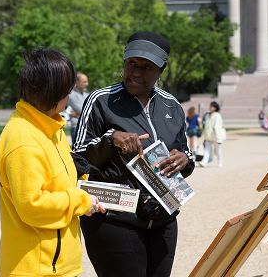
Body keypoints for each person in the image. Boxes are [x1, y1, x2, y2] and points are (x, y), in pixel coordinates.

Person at [74, 31, 195, 277]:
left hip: (163, 222)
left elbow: (188, 154)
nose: (136, 72)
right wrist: (110, 141)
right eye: (131, 64)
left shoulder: (173, 106)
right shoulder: (101, 100)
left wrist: (184, 160)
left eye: (146, 67)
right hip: (114, 219)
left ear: (161, 70)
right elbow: (76, 158)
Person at [0, 48, 104, 276]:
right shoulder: (22, 139)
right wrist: (80, 200)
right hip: (37, 269)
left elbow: (59, 180)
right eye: (68, 91)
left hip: (58, 266)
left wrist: (81, 178)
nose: (70, 96)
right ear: (54, 93)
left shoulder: (49, 126)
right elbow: (31, 206)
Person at [199, 101, 225, 167]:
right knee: (207, 150)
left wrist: (218, 138)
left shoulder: (217, 116)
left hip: (216, 137)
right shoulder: (207, 115)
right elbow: (206, 126)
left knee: (218, 151)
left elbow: (217, 127)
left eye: (212, 106)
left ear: (216, 108)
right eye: (210, 106)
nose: (211, 107)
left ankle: (220, 162)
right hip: (208, 136)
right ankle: (204, 162)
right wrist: (204, 135)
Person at [68, 72, 89, 145]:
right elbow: (81, 110)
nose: (87, 84)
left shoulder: (87, 94)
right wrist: (81, 113)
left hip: (87, 127)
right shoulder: (71, 95)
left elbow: (91, 110)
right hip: (76, 127)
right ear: (77, 82)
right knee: (78, 153)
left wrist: (77, 114)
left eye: (87, 81)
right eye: (84, 82)